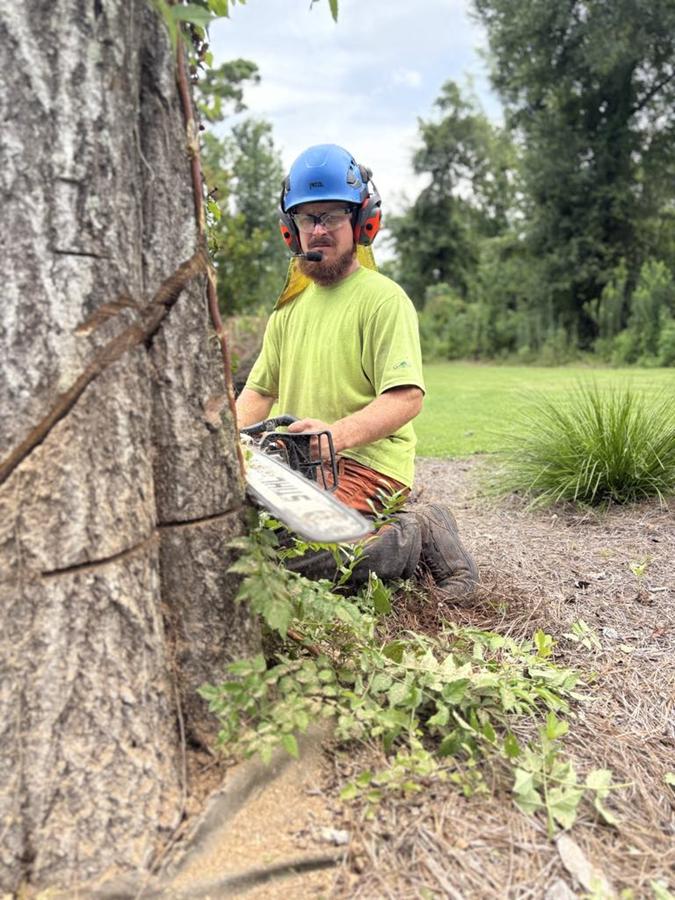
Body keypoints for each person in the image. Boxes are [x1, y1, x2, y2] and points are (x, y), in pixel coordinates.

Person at [236, 143, 478, 602]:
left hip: (368, 465)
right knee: (239, 535)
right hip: (300, 466)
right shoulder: (287, 311)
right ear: (291, 229)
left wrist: (336, 436)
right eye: (307, 218)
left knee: (293, 558)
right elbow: (259, 392)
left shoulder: (383, 300)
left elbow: (406, 398)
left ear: (362, 220)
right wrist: (224, 441)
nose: (318, 230)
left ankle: (417, 531)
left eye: (331, 216)